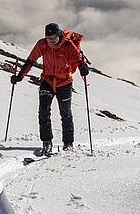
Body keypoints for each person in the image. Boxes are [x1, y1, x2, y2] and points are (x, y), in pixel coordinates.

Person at [11, 22, 88, 157]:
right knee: (43, 112)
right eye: (48, 38)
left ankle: (68, 143)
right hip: (47, 81)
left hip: (64, 82)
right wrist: (19, 77)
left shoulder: (68, 45)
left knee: (66, 113)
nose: (51, 41)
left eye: (53, 38)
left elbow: (79, 59)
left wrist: (83, 68)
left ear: (58, 35)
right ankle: (47, 141)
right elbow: (31, 60)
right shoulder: (42, 44)